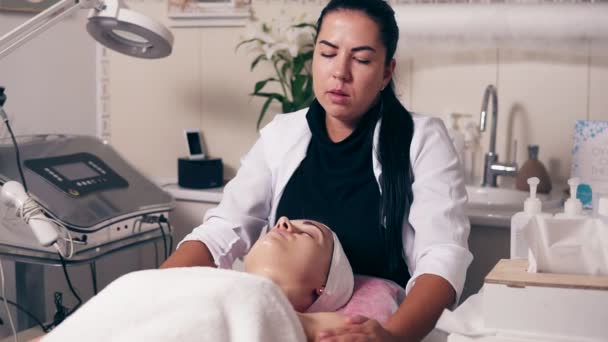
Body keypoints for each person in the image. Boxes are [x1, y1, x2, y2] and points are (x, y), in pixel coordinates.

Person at [162, 0, 473, 340]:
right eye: (327, 54)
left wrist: (390, 336)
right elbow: (223, 232)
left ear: (386, 72)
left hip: (380, 326)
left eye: (362, 59)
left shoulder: (421, 140)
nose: (340, 72)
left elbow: (442, 257)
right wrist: (150, 290)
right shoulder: (282, 135)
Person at [34, 218, 354, 342]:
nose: (285, 222)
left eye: (310, 234)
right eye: (288, 219)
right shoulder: (175, 281)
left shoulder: (315, 324)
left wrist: (309, 326)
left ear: (320, 289)